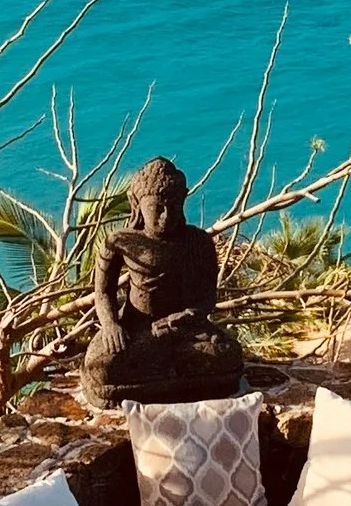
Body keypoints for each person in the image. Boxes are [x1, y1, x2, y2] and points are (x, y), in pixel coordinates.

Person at [82, 155, 244, 405]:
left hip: (185, 330)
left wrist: (188, 316)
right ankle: (163, 369)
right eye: (157, 208)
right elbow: (103, 292)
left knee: (228, 355)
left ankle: (163, 372)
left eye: (174, 206)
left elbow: (208, 297)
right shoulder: (119, 241)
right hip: (136, 328)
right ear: (136, 204)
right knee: (103, 368)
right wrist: (111, 325)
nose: (166, 216)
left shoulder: (198, 242)